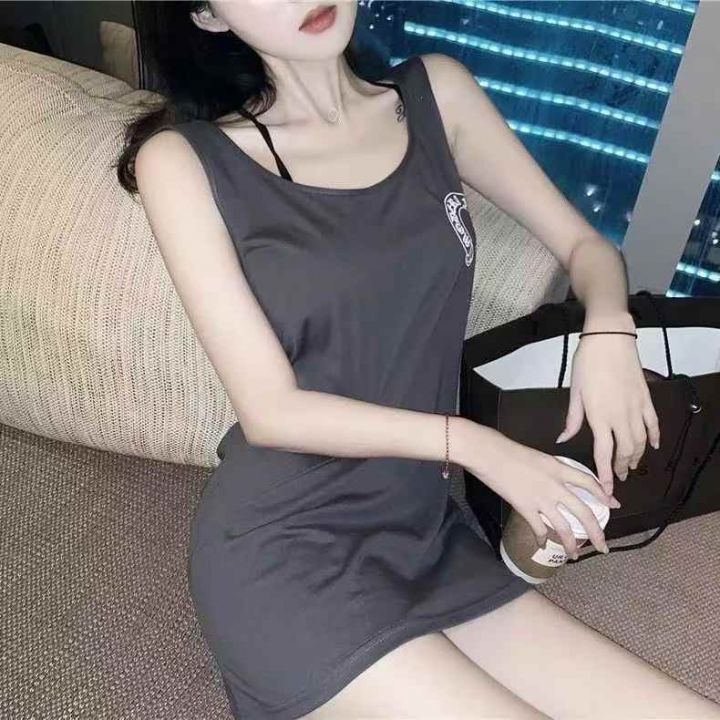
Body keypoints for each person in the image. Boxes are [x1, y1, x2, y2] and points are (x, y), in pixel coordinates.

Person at [124, 2, 720, 718]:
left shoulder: (437, 94)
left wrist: (609, 334)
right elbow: (272, 412)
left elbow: (585, 247)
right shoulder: (184, 162)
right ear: (206, 15)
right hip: (286, 547)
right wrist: (479, 447)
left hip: (423, 530)